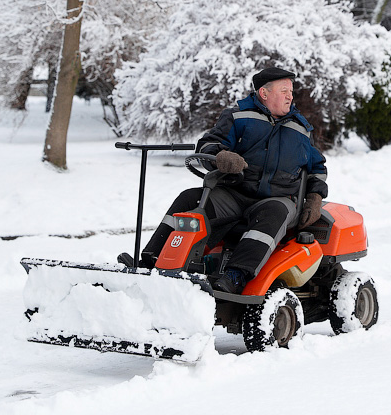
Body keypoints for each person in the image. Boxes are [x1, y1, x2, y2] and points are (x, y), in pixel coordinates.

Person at [133, 66, 328, 294]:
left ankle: (236, 275)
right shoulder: (238, 116)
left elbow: (317, 167)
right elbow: (208, 145)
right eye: (284, 90)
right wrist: (220, 157)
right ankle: (151, 260)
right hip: (234, 194)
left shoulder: (301, 129)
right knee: (190, 199)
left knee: (273, 213)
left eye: (291, 91)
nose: (290, 96)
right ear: (264, 94)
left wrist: (315, 197)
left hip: (277, 198)